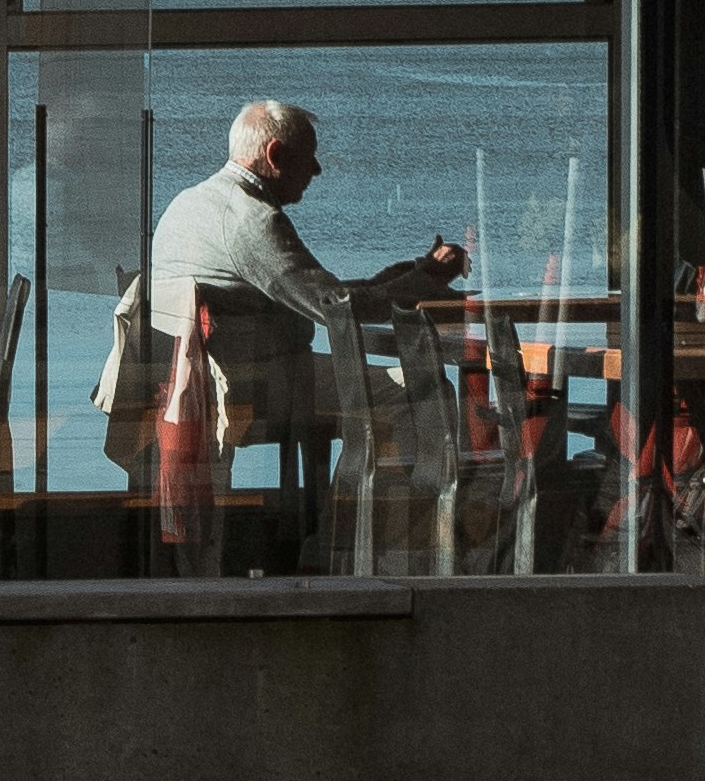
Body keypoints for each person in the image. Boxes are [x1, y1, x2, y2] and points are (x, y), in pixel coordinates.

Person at [140, 100, 465, 572]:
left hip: (207, 385)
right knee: (424, 388)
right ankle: (385, 548)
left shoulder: (189, 204)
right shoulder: (251, 220)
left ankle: (340, 532)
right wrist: (428, 281)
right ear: (274, 154)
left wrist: (393, 279)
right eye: (307, 156)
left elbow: (312, 293)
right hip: (262, 386)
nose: (317, 168)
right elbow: (336, 310)